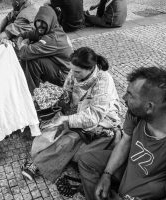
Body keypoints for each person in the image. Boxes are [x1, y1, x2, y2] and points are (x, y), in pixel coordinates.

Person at [21, 47, 121, 193]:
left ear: (91, 68)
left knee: (70, 139)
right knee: (51, 128)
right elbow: (67, 90)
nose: (73, 74)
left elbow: (94, 115)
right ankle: (39, 155)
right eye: (72, 70)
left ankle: (38, 164)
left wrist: (67, 118)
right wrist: (57, 99)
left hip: (102, 119)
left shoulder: (104, 80)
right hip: (77, 110)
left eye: (78, 72)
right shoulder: (74, 73)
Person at [78, 67, 166, 200]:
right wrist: (107, 174)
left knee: (128, 194)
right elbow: (125, 141)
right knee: (87, 161)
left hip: (150, 182)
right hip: (129, 165)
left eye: (130, 94)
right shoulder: (136, 113)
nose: (123, 97)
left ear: (149, 107)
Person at [16, 5, 73, 95]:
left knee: (33, 60)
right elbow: (27, 34)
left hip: (64, 77)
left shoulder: (52, 38)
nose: (40, 26)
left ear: (50, 22)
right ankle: (26, 83)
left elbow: (24, 53)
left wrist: (23, 44)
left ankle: (32, 94)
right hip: (58, 67)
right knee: (31, 52)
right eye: (38, 21)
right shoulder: (51, 28)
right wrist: (22, 38)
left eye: (43, 23)